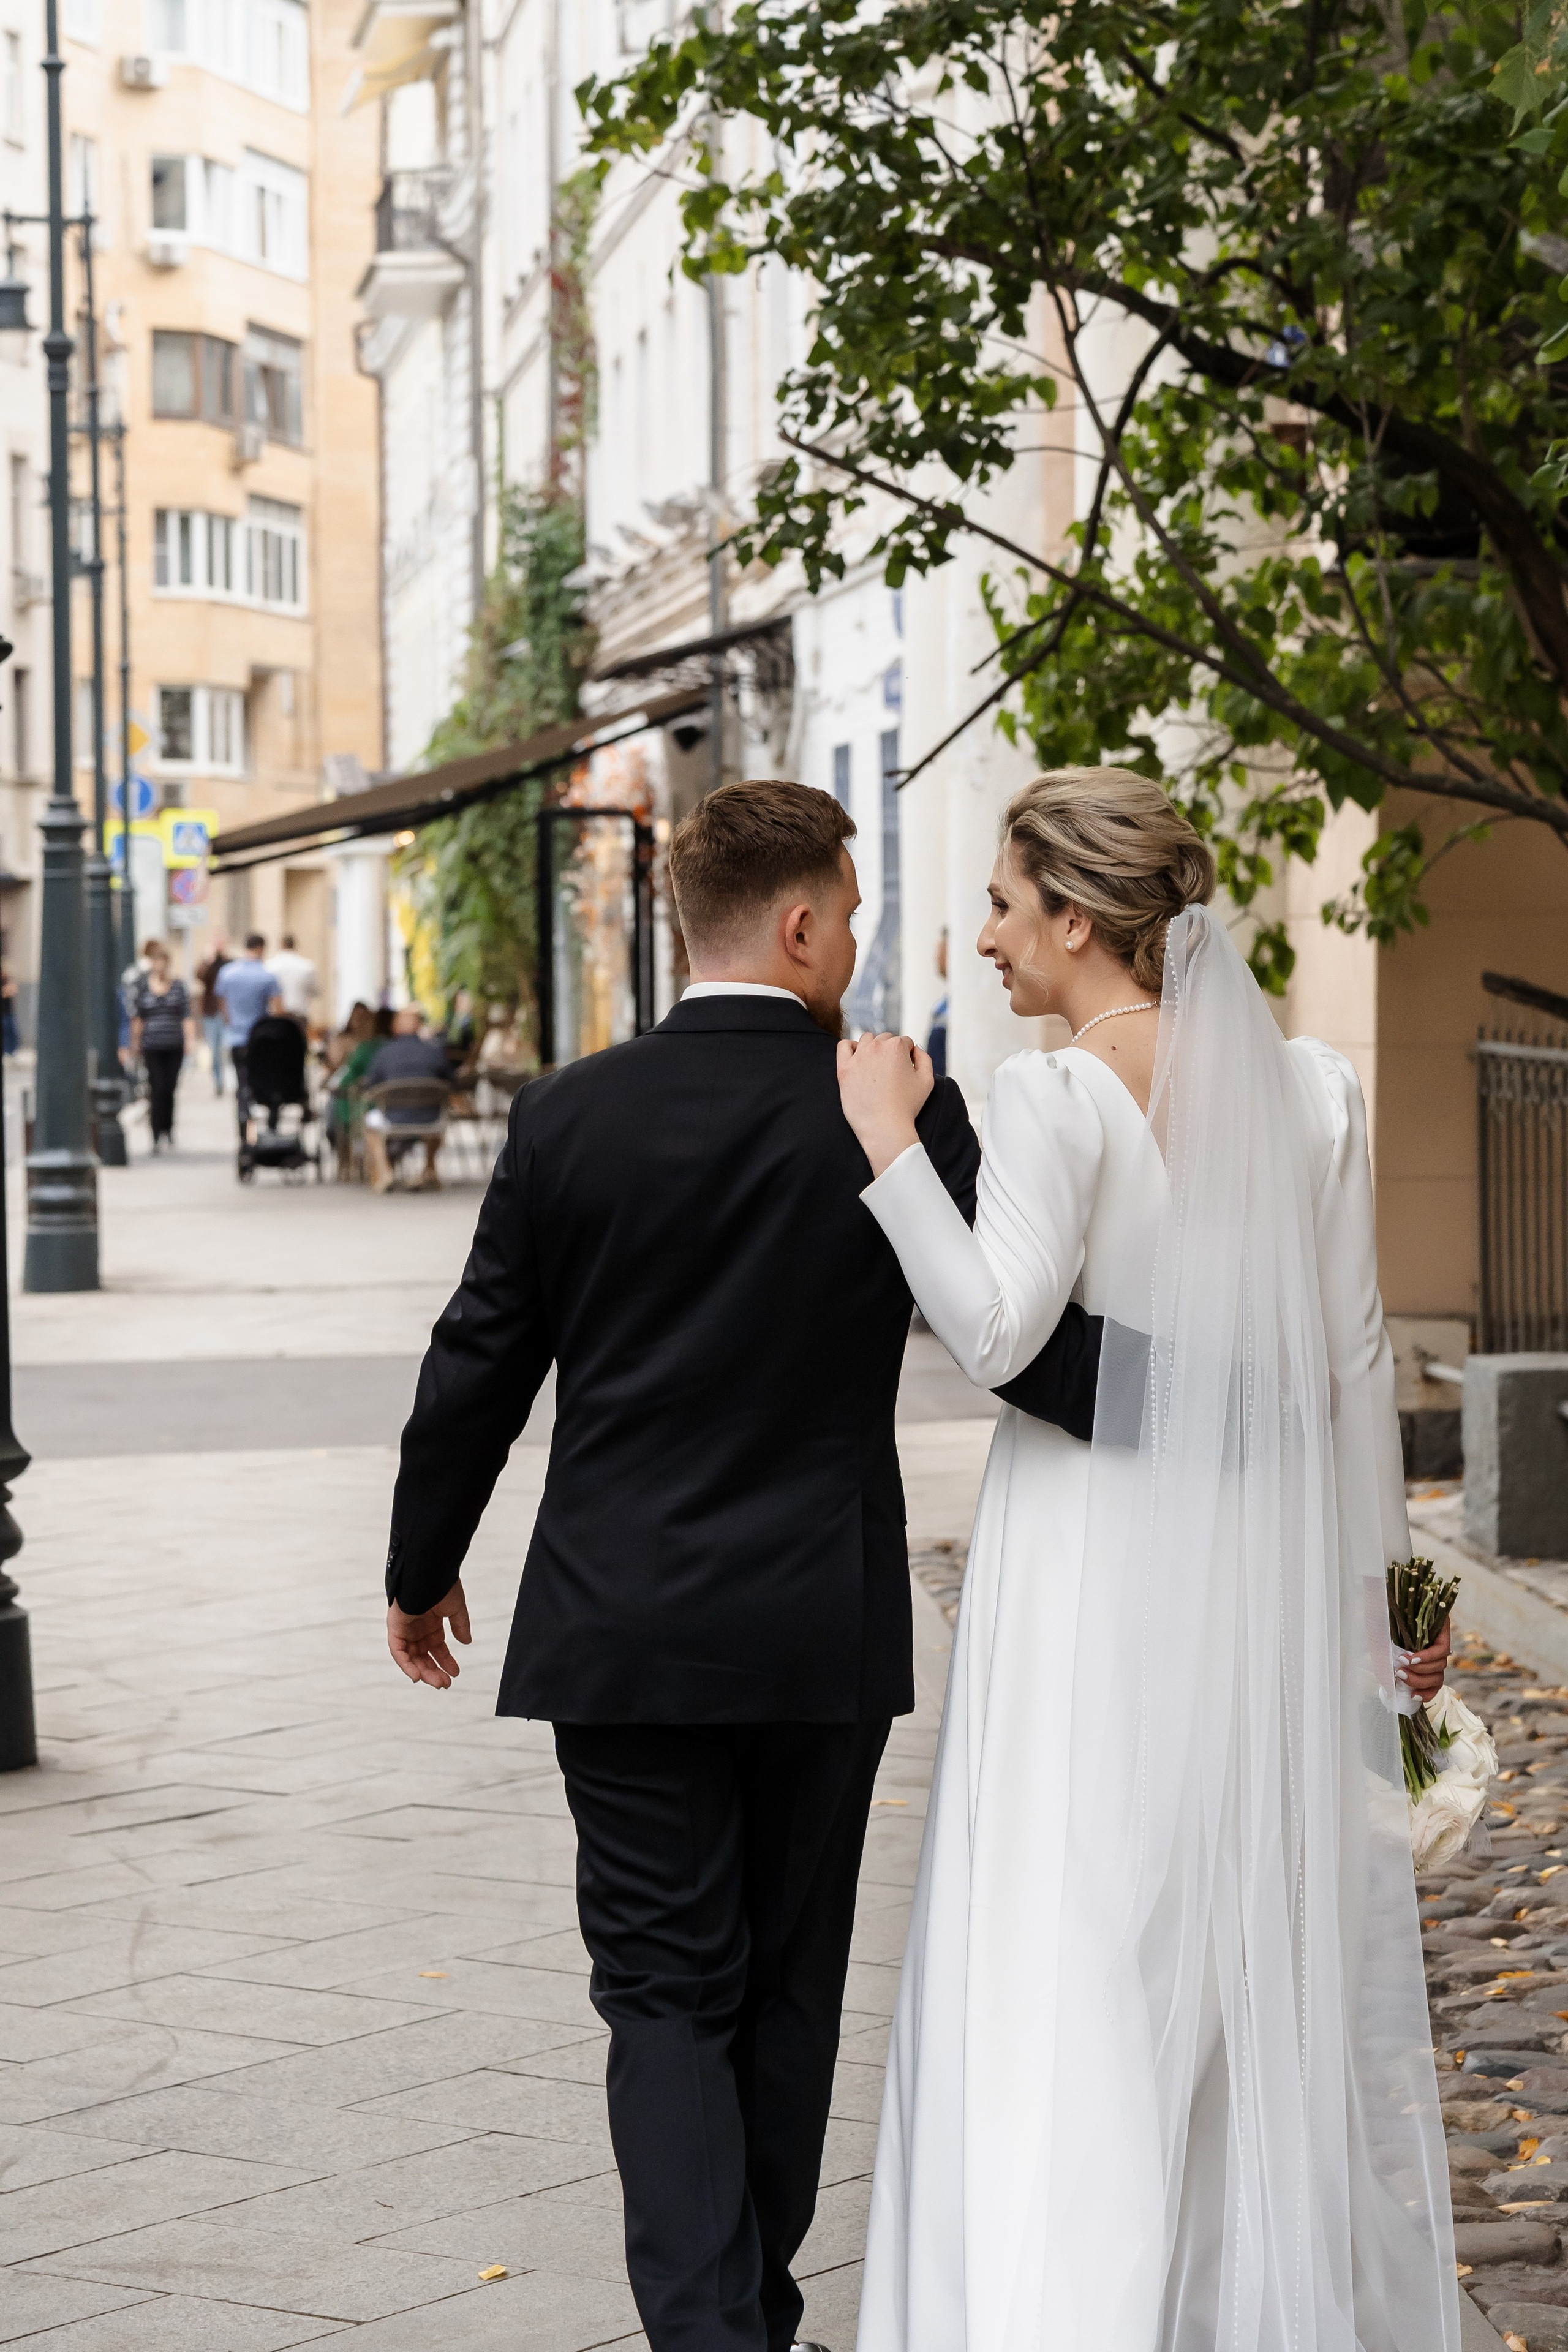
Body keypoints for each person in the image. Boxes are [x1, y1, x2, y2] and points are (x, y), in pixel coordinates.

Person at [381, 779, 1104, 2352]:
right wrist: (1234, 1393)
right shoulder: (890, 1108)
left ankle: (726, 2332)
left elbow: (477, 1359)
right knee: (783, 1987)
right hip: (815, 1628)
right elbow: (1030, 1346)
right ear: (795, 926)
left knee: (660, 1991)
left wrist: (419, 1565)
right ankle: (744, 2324)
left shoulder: (567, 1116)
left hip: (620, 1629)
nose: (854, 944)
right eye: (845, 915)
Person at [835, 767, 1457, 2352]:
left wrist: (890, 1147)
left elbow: (994, 1333)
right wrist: (1399, 1620)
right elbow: (1355, 1371)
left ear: (1077, 916)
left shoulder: (1056, 1097)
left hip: (1089, 1570)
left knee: (1071, 1937)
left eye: (1002, 905)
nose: (985, 937)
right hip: (1257, 1582)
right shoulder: (1314, 1095)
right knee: (1219, 1937)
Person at [361, 1005, 451, 1193]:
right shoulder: (434, 1051)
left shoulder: (384, 1053)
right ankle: (429, 1168)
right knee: (439, 1118)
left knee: (369, 1124)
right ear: (419, 1026)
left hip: (392, 1117)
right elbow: (451, 1080)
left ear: (395, 1027)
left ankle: (385, 1171)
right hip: (431, 1118)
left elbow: (371, 1084)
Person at [129, 940, 195, 1152]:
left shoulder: (178, 986)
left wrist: (190, 1040)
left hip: (174, 1044)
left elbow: (186, 1015)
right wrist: (135, 1043)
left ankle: (169, 1129)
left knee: (170, 1088)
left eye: (163, 961)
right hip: (152, 1045)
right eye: (156, 961)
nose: (160, 965)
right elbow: (138, 1018)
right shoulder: (143, 987)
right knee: (156, 1088)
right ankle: (156, 1133)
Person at [215, 935, 282, 1099]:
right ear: (261, 949)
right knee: (258, 1080)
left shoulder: (227, 973)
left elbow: (222, 1005)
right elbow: (278, 1010)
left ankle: (243, 1107)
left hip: (236, 1037)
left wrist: (230, 1022)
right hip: (260, 1039)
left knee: (241, 1079)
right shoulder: (267, 976)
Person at [195, 935, 229, 1093]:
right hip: (210, 1013)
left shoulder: (229, 963)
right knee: (214, 1050)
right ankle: (218, 1081)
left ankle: (226, 1079)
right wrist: (208, 960)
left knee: (225, 1049)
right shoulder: (208, 964)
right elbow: (199, 976)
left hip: (226, 1014)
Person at [269, 932, 319, 1031]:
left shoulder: (270, 966)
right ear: (295, 945)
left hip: (278, 1016)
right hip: (299, 1014)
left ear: (281, 944)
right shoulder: (307, 966)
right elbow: (316, 992)